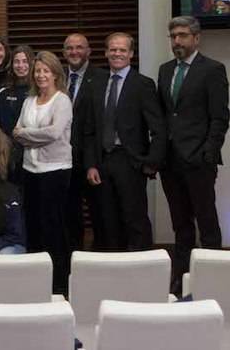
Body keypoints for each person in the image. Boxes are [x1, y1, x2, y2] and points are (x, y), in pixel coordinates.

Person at [157, 16, 229, 294]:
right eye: (173, 35)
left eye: (183, 35)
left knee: (207, 222)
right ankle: (182, 281)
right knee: (180, 224)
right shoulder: (164, 71)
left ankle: (214, 282)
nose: (177, 41)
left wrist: (208, 153)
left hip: (199, 160)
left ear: (196, 38)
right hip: (170, 161)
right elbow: (166, 115)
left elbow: (220, 118)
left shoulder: (212, 70)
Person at [84, 32, 165, 251]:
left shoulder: (143, 84)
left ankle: (143, 270)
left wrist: (150, 163)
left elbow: (158, 129)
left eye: (122, 50)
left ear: (130, 54)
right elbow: (89, 129)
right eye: (113, 49)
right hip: (102, 161)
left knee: (134, 218)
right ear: (106, 52)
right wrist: (91, 164)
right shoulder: (96, 83)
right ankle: (113, 270)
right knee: (106, 220)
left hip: (130, 162)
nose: (117, 53)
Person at [13, 50, 73, 292]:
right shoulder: (29, 101)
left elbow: (54, 133)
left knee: (54, 228)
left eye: (45, 71)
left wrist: (27, 135)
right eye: (37, 71)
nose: (40, 75)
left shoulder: (62, 101)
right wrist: (30, 135)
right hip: (31, 171)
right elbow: (16, 131)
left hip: (55, 171)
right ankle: (37, 283)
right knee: (34, 226)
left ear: (55, 74)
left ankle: (59, 284)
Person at [63, 33, 108, 251]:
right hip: (63, 160)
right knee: (70, 215)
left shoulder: (102, 78)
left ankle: (99, 261)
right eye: (70, 48)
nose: (74, 52)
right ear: (64, 52)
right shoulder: (56, 77)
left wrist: (93, 161)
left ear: (88, 51)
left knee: (99, 213)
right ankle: (73, 259)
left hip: (92, 159)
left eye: (79, 47)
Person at [0, 45, 34, 135]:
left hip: (31, 143)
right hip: (8, 143)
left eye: (25, 61)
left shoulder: (38, 90)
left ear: (32, 63)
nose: (20, 65)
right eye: (17, 62)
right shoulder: (3, 91)